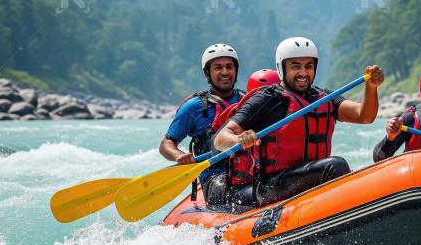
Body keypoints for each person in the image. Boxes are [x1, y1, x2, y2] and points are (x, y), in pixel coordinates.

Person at [213, 37, 385, 206]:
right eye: (296, 66)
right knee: (335, 166)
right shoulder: (266, 99)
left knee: (341, 169)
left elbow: (364, 116)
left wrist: (371, 88)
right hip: (271, 186)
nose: (303, 73)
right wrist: (239, 139)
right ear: (282, 68)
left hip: (310, 177)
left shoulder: (324, 97)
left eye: (308, 66)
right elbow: (221, 139)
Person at [160, 43, 245, 200]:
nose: (225, 72)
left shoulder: (248, 101)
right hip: (214, 178)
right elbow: (166, 143)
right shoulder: (194, 107)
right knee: (228, 187)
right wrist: (179, 155)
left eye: (229, 67)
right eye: (218, 68)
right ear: (208, 73)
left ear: (236, 70)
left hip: (247, 171)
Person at [207, 69, 281, 206]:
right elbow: (217, 146)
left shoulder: (282, 118)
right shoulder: (238, 121)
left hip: (268, 182)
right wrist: (238, 140)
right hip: (237, 189)